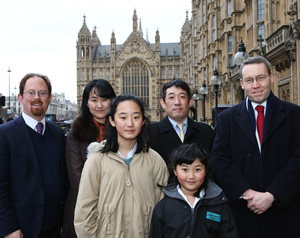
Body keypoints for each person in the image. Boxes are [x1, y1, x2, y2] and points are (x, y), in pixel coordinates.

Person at [212, 56, 300, 238]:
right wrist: (246, 192)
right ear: (242, 84)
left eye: (261, 78)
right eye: (249, 80)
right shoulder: (226, 119)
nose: (256, 85)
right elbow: (220, 161)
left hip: (285, 215)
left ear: (271, 77)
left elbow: (297, 160)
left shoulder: (295, 115)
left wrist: (273, 194)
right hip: (243, 215)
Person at [74, 94, 168, 238]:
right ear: (112, 120)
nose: (130, 123)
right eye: (123, 117)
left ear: (143, 121)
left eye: (136, 117)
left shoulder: (155, 160)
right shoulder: (96, 161)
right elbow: (84, 211)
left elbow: (163, 207)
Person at [0, 73, 68, 238]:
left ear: (49, 98)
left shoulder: (58, 134)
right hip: (21, 230)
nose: (37, 97)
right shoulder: (5, 135)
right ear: (20, 97)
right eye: (31, 93)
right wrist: (9, 227)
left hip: (54, 229)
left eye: (42, 93)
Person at [62, 79, 116, 238]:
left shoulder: (121, 129)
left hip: (116, 205)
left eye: (104, 99)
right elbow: (76, 176)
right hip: (83, 206)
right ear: (86, 103)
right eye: (94, 100)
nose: (99, 105)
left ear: (112, 101)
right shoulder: (76, 133)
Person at [149, 143, 238, 238]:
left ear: (205, 171)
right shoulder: (163, 207)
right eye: (185, 169)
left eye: (197, 169)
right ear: (175, 171)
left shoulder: (218, 204)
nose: (191, 176)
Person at [149, 79, 215, 165]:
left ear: (190, 102)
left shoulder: (206, 132)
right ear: (163, 103)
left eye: (182, 97)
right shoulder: (150, 133)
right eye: (171, 97)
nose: (177, 102)